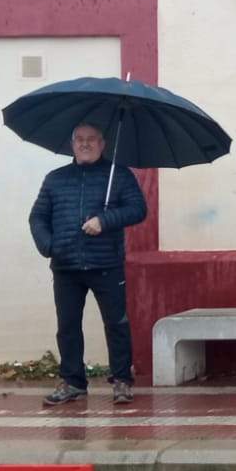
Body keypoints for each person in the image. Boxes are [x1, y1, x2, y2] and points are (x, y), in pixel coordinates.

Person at [30, 123, 148, 406]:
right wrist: (50, 247)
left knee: (116, 323)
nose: (85, 144)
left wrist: (104, 221)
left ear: (102, 144)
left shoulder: (118, 175)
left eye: (91, 140)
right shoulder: (55, 179)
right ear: (72, 144)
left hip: (106, 263)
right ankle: (72, 382)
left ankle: (121, 380)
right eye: (80, 140)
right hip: (66, 266)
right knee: (68, 326)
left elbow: (138, 209)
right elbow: (37, 218)